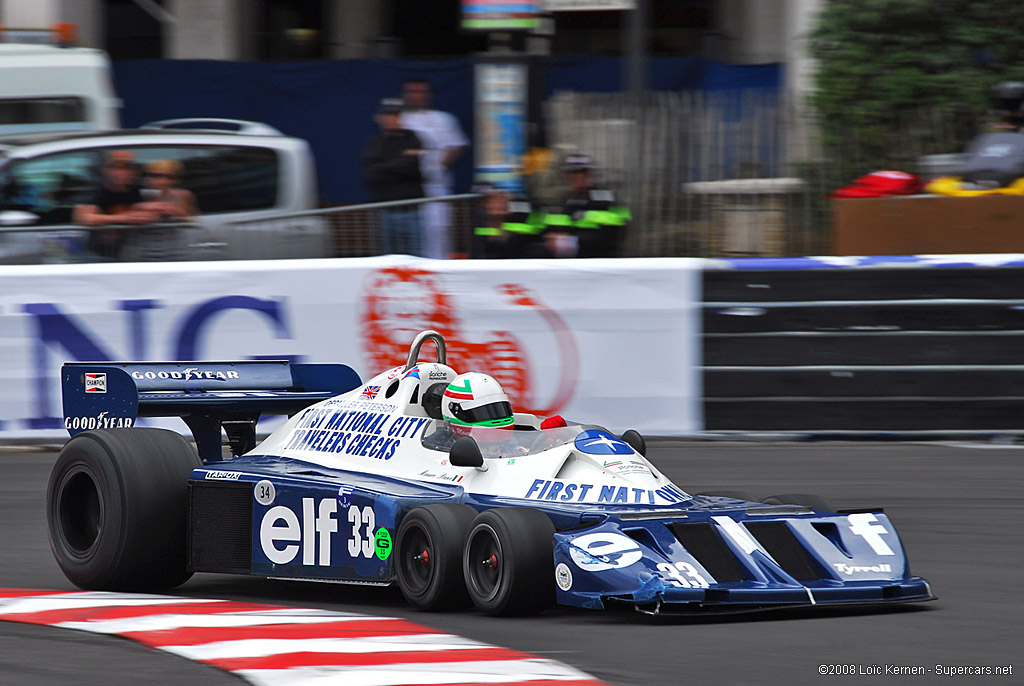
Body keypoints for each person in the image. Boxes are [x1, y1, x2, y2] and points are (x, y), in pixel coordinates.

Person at [400, 78, 469, 259]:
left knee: (439, 229)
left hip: (437, 187)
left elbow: (456, 146)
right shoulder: (400, 120)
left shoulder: (444, 119)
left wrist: (438, 166)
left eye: (421, 92)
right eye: (413, 92)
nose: (417, 96)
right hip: (409, 188)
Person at [362, 98, 426, 256]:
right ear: (380, 118)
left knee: (414, 258)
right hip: (386, 212)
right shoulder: (375, 143)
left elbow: (412, 167)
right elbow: (371, 174)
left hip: (411, 211)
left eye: (396, 115)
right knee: (388, 260)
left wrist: (386, 166)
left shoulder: (412, 138)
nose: (392, 119)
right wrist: (401, 161)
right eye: (388, 115)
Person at [540, 153, 630, 258]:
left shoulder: (606, 199)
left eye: (583, 172)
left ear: (591, 175)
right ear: (566, 176)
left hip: (600, 259)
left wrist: (572, 240)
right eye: (573, 172)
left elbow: (610, 235)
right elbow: (550, 231)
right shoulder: (562, 201)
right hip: (567, 261)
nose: (578, 176)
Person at [73, 151, 160, 259]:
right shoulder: (98, 191)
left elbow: (153, 210)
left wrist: (150, 212)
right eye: (118, 168)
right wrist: (124, 218)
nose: (124, 172)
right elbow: (85, 217)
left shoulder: (137, 190)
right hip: (99, 254)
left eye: (129, 168)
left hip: (134, 251)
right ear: (107, 171)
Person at [471, 183, 544, 259]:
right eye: (495, 200)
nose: (498, 205)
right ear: (485, 205)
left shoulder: (521, 228)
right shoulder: (476, 230)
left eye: (502, 200)